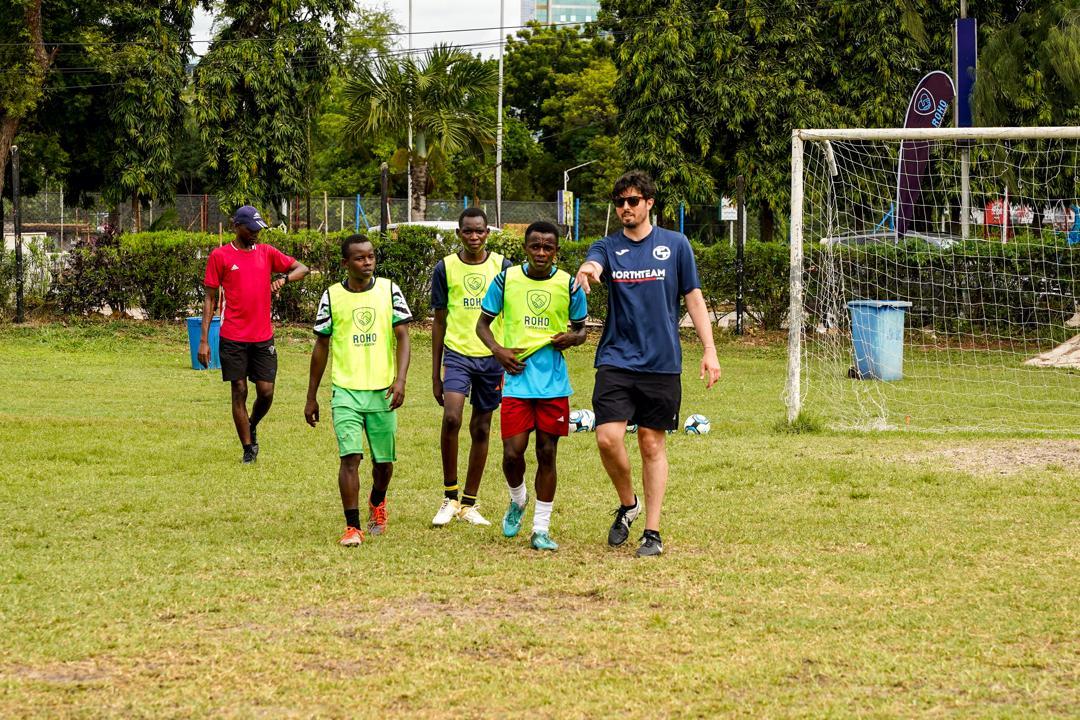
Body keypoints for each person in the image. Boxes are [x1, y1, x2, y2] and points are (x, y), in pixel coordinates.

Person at [574, 171, 721, 557]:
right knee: (607, 438)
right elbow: (594, 263)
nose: (625, 207)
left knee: (651, 443)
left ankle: (652, 532)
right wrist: (589, 270)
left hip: (661, 362)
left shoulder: (675, 245)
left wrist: (709, 349)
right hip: (616, 358)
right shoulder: (607, 245)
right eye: (620, 202)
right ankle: (629, 504)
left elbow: (693, 298)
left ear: (649, 203)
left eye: (633, 201)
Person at [476, 221, 587, 551]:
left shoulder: (569, 285)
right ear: (525, 248)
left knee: (547, 452)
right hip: (517, 379)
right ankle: (518, 499)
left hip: (553, 384)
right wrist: (498, 351)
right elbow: (482, 325)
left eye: (547, 247)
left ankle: (541, 529)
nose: (541, 252)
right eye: (535, 246)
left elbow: (582, 330)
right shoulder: (506, 280)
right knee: (512, 454)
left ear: (556, 251)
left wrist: (572, 338)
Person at [304, 235, 412, 547]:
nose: (367, 262)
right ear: (345, 263)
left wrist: (400, 380)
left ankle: (377, 502)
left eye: (371, 256)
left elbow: (403, 336)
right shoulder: (332, 296)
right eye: (360, 258)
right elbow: (321, 345)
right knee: (350, 457)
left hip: (382, 391)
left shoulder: (389, 290)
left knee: (384, 464)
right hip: (346, 391)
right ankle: (353, 527)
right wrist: (311, 396)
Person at [199, 205, 309, 464]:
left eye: (258, 229)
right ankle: (248, 448)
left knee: (266, 391)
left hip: (262, 337)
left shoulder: (267, 252)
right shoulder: (220, 256)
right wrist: (204, 340)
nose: (256, 233)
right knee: (239, 389)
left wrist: (284, 279)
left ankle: (252, 423)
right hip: (233, 336)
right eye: (251, 229)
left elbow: (302, 268)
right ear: (237, 226)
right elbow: (210, 298)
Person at [430, 208, 512, 527]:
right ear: (458, 233)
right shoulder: (445, 267)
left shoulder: (503, 267)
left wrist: (506, 356)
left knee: (481, 428)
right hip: (457, 354)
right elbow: (439, 321)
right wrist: (435, 374)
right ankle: (449, 497)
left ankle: (469, 503)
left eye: (479, 231)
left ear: (488, 233)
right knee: (452, 417)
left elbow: (512, 315)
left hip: (491, 357)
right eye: (468, 231)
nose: (474, 237)